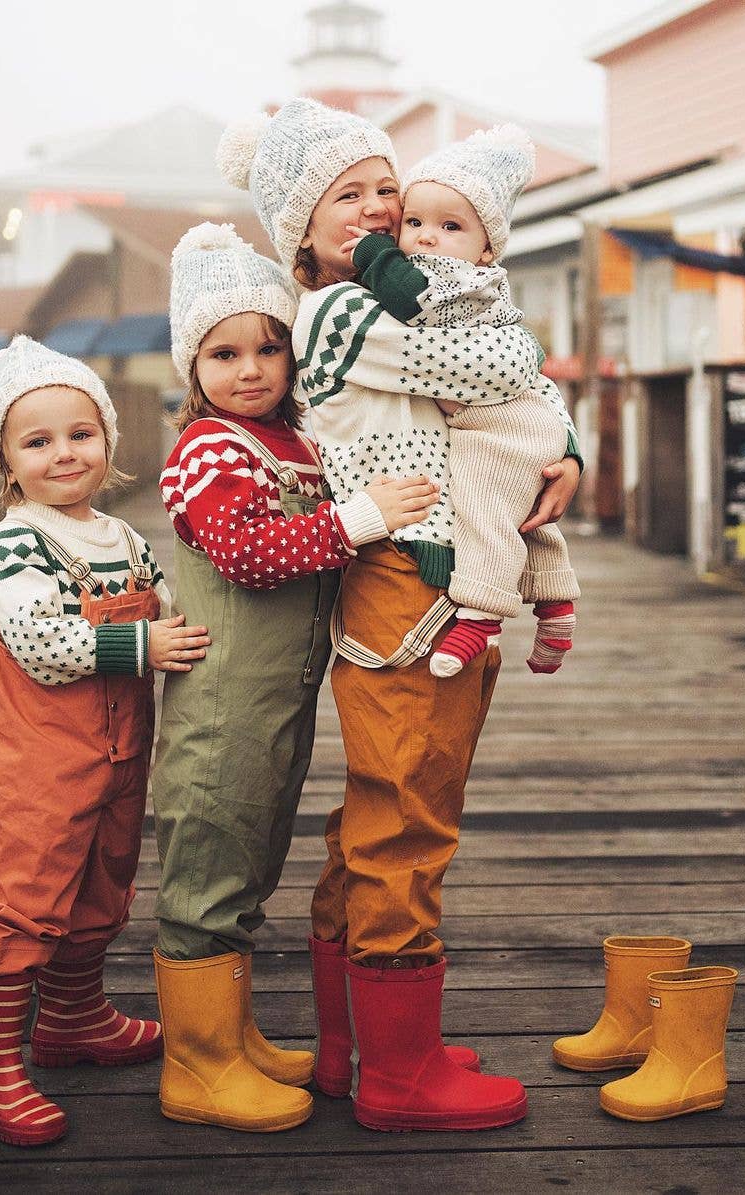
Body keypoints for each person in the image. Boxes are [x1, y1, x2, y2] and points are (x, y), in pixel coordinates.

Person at [218, 97, 582, 1132]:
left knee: (381, 811)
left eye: (388, 186)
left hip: (426, 574)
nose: (380, 208)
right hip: (411, 583)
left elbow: (520, 396)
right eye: (350, 195)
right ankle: (401, 1073)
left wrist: (565, 449)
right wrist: (537, 394)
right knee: (406, 818)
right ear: (301, 224)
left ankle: (356, 1046)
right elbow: (502, 366)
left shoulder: (401, 301)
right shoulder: (344, 311)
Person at [151, 223, 440, 1132]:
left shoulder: (295, 440)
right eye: (223, 352)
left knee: (252, 859)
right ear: (191, 366)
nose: (250, 368)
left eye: (270, 346)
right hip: (222, 708)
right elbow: (245, 551)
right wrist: (356, 518)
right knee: (208, 863)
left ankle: (230, 1033)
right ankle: (195, 1063)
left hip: (278, 704)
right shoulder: (209, 450)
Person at [0, 336, 210, 1147]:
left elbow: (165, 603)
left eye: (81, 434)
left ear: (108, 442)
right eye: (37, 441)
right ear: (7, 457)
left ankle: (71, 1019)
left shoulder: (123, 538)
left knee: (103, 885)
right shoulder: (19, 541)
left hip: (121, 756)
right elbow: (38, 638)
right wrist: (144, 647)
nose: (63, 453)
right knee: (25, 897)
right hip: (44, 764)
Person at [343, 124, 581, 678]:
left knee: (483, 502)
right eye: (415, 223)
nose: (426, 238)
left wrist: (375, 250)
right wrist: (566, 445)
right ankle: (555, 602)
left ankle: (483, 612)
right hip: (522, 417)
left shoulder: (449, 280)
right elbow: (526, 365)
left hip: (502, 421)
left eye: (450, 226)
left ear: (487, 247)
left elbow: (413, 301)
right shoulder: (461, 278)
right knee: (525, 515)